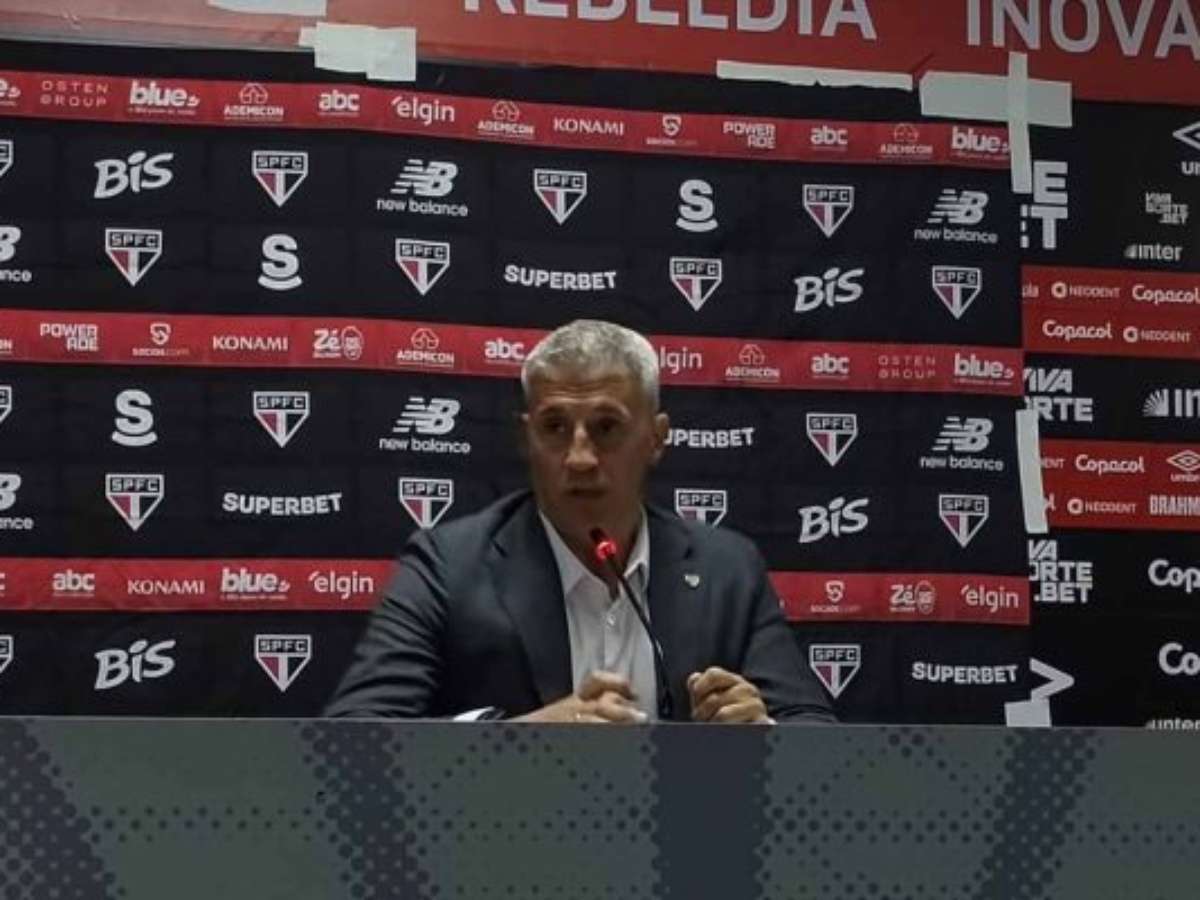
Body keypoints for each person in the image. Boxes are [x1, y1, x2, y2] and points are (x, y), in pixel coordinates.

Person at [325, 319, 833, 723]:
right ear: (526, 438)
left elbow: (815, 733)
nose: (580, 458)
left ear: (656, 438)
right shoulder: (448, 566)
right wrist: (520, 740)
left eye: (606, 428)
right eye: (555, 428)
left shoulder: (727, 569)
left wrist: (761, 732)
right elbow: (354, 736)